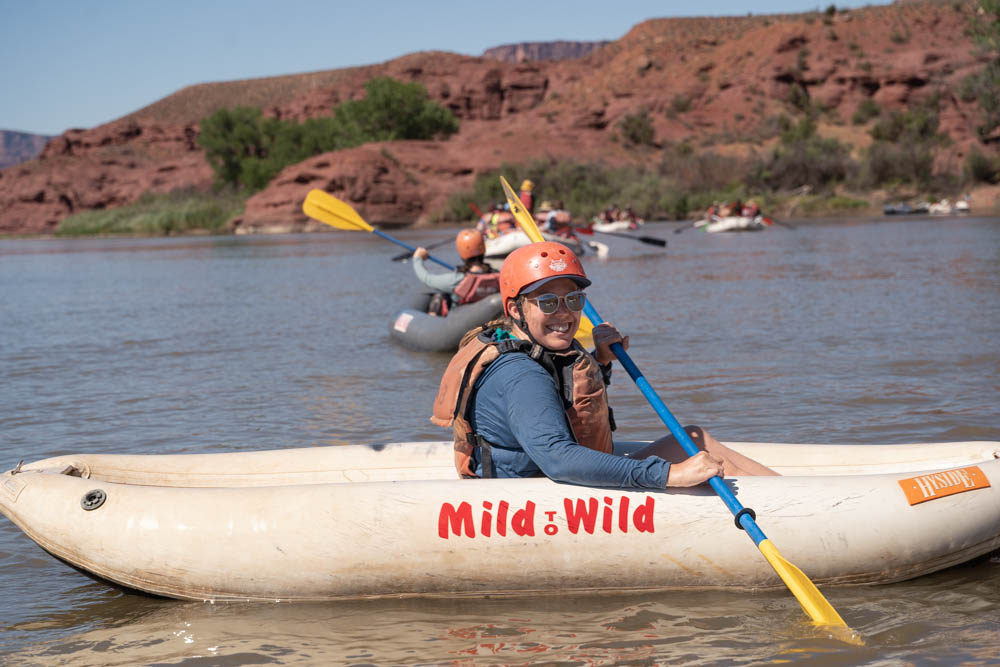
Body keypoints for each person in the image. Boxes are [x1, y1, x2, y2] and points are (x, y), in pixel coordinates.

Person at [431, 241, 778, 486]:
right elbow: (559, 459)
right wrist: (670, 476)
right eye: (548, 302)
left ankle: (787, 491)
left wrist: (601, 363)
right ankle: (791, 505)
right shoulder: (520, 374)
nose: (565, 313)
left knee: (693, 438)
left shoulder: (524, 348)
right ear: (515, 309)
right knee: (689, 454)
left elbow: (563, 403)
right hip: (537, 496)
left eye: (573, 298)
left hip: (549, 479)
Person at [412, 230, 499, 316]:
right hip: (490, 318)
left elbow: (426, 278)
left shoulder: (457, 279)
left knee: (439, 295)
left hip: (461, 322)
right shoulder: (497, 276)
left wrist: (417, 258)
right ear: (483, 248)